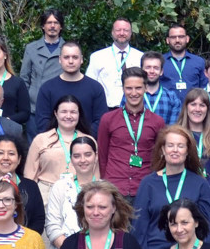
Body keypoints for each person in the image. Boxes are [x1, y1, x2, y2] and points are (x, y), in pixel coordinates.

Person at [132, 125, 210, 249]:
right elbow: (139, 230)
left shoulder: (200, 184)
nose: (175, 150)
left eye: (180, 146)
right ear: (162, 150)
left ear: (187, 151)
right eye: (170, 145)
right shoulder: (148, 184)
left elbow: (209, 229)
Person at [97, 68, 165, 197]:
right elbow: (102, 155)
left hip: (144, 187)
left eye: (138, 88)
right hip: (114, 187)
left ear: (145, 88)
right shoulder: (108, 119)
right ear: (123, 89)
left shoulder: (157, 122)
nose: (133, 93)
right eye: (129, 88)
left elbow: (159, 157)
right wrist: (105, 182)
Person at [32, 41, 109, 135]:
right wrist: (61, 139)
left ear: (81, 59)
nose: (71, 61)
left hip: (87, 141)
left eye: (75, 57)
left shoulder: (96, 88)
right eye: (66, 57)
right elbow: (42, 121)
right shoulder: (47, 88)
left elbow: (101, 120)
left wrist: (81, 138)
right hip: (54, 141)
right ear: (60, 59)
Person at [25, 95, 93, 201]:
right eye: (64, 112)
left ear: (79, 114)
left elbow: (95, 174)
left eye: (73, 112)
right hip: (46, 195)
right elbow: (29, 175)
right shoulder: (41, 140)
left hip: (79, 194)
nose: (68, 116)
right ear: (56, 114)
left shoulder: (89, 141)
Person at [44, 136, 100, 249]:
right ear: (71, 159)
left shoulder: (105, 189)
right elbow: (52, 226)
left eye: (88, 155)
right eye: (77, 156)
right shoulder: (60, 187)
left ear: (96, 156)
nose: (83, 160)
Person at [86, 18, 143, 107]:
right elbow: (89, 85)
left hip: (134, 109)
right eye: (118, 30)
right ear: (112, 32)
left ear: (131, 33)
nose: (122, 33)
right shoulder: (97, 57)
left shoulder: (141, 57)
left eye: (126, 30)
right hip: (106, 109)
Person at [20, 9, 65, 114]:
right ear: (43, 26)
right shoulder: (31, 48)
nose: (52, 26)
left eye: (56, 23)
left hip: (60, 107)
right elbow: (24, 78)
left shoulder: (68, 50)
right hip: (34, 107)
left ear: (61, 26)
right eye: (49, 22)